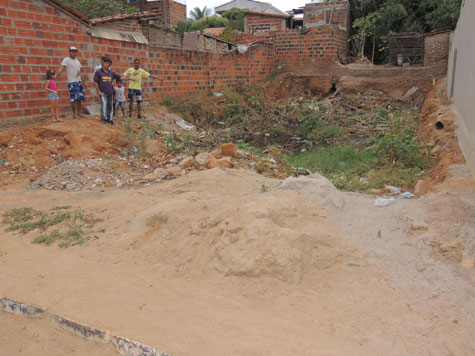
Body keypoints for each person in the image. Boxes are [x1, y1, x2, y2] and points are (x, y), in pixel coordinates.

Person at [94, 57, 133, 125]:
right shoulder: (98, 72)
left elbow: (120, 77)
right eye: (107, 63)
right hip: (103, 93)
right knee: (104, 105)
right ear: (103, 63)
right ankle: (104, 119)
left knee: (110, 106)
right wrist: (98, 91)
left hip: (110, 92)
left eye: (109, 64)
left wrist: (129, 78)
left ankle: (110, 119)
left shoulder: (111, 73)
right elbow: (95, 82)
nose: (108, 65)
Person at [55, 46, 86, 119]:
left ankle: (79, 113)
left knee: (79, 98)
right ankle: (74, 114)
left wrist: (83, 81)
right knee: (73, 99)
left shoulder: (77, 61)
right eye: (72, 51)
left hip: (79, 82)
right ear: (69, 52)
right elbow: (61, 68)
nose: (74, 53)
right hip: (72, 82)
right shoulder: (66, 60)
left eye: (75, 52)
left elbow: (80, 72)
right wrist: (56, 74)